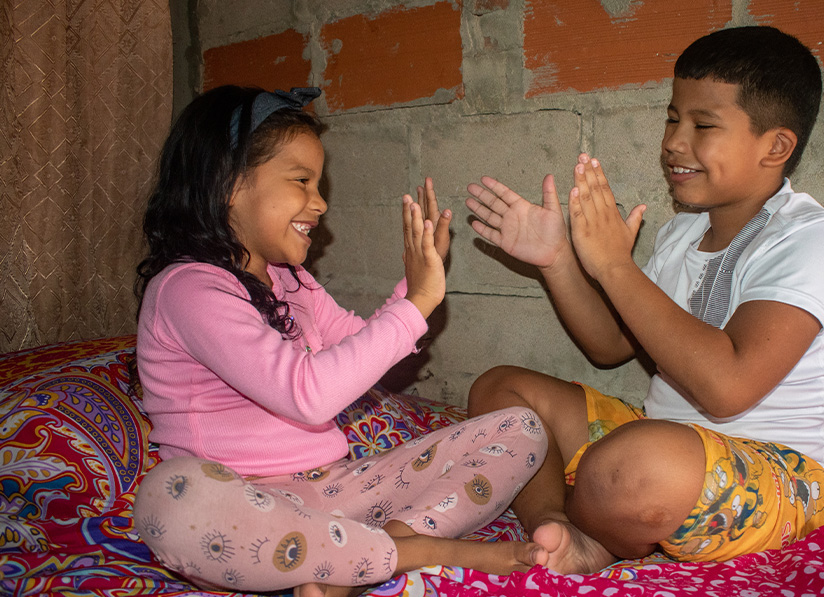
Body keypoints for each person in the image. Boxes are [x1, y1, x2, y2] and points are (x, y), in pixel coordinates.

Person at [464, 26, 824, 574]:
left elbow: (727, 388)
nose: (675, 141)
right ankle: (554, 527)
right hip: (671, 445)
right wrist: (557, 261)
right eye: (673, 118)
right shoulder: (683, 233)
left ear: (776, 146)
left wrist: (612, 265)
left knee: (633, 470)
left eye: (704, 125)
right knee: (500, 390)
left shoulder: (808, 238)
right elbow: (611, 345)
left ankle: (595, 526)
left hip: (786, 475)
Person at [131, 85, 548, 596]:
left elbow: (368, 351)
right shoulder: (188, 289)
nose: (321, 202)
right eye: (302, 181)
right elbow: (309, 395)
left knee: (522, 427)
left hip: (331, 494)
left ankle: (363, 560)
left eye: (319, 184)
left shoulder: (292, 282)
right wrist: (416, 302)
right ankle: (419, 551)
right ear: (228, 184)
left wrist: (412, 288)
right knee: (169, 500)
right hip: (243, 506)